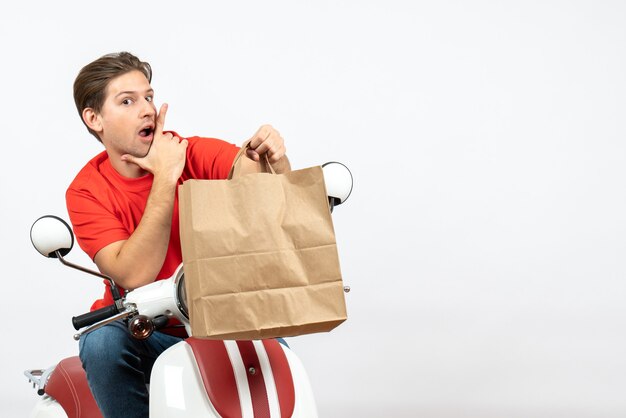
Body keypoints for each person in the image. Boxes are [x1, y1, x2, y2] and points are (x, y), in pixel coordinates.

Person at [66, 51, 291, 418]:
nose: (147, 110)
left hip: (220, 321)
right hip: (143, 330)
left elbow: (263, 197)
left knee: (275, 359)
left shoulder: (191, 151)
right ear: (94, 119)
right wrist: (166, 176)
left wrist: (271, 157)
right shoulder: (86, 191)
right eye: (128, 101)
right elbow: (134, 275)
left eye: (149, 97)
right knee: (101, 343)